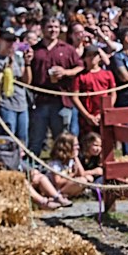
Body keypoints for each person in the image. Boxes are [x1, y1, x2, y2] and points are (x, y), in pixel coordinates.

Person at [28, 18, 82, 156]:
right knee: (36, 138)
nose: (53, 30)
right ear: (42, 28)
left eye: (56, 27)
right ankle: (34, 169)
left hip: (61, 100)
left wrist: (65, 72)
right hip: (39, 101)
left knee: (62, 138)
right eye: (50, 27)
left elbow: (80, 67)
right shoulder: (35, 50)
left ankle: (62, 167)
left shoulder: (67, 49)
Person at [0, 29, 29, 151]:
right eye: (8, 40)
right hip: (5, 104)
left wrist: (27, 63)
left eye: (13, 40)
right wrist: (9, 62)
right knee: (7, 139)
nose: (11, 44)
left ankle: (20, 165)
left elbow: (26, 81)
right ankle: (7, 163)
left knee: (22, 139)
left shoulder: (18, 58)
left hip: (21, 104)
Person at [73, 45, 116, 131]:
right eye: (89, 55)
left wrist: (102, 113)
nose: (92, 58)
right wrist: (87, 116)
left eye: (94, 55)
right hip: (87, 115)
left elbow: (113, 95)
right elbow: (74, 97)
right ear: (84, 58)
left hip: (105, 113)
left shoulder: (108, 74)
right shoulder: (79, 76)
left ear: (99, 57)